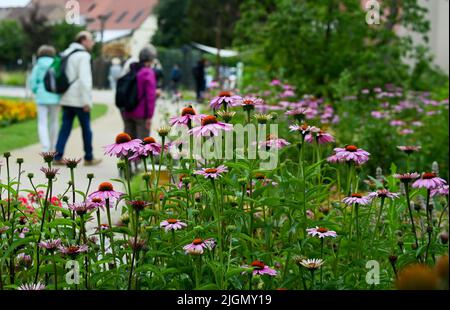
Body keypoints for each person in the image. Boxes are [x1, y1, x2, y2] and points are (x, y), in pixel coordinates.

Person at [54, 31, 101, 166]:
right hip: (79, 99)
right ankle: (89, 157)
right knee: (86, 128)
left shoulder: (67, 52)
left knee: (65, 127)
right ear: (83, 40)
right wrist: (87, 101)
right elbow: (85, 80)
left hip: (66, 97)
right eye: (91, 39)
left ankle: (57, 155)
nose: (92, 43)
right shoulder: (83, 56)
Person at [121, 45, 157, 140]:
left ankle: (126, 155)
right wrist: (149, 116)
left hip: (128, 111)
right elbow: (150, 97)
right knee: (142, 145)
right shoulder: (148, 73)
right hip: (141, 114)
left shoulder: (132, 69)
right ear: (151, 59)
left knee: (128, 143)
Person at [29, 45, 60, 152]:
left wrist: (36, 90)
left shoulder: (37, 66)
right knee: (54, 122)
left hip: (41, 96)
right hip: (55, 96)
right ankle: (53, 145)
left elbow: (32, 82)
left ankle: (45, 146)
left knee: (42, 122)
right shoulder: (56, 65)